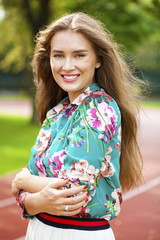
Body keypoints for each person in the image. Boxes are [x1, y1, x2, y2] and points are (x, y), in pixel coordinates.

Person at [11, 12, 143, 240]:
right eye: (58, 55)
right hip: (39, 229)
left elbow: (75, 192)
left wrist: (24, 182)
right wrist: (33, 202)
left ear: (98, 59)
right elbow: (30, 193)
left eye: (79, 55)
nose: (67, 66)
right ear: (49, 59)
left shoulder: (100, 109)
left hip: (78, 234)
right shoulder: (57, 112)